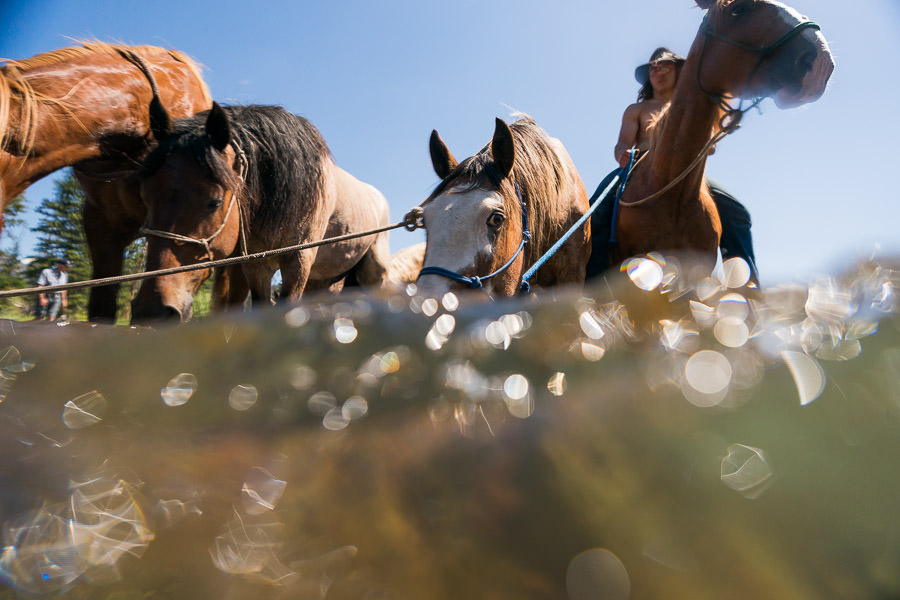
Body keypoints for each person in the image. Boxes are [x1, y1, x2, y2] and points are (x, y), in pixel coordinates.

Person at [586, 47, 759, 283]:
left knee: (737, 213)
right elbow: (621, 144)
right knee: (594, 212)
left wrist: (708, 142)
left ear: (679, 71)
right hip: (637, 166)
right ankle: (591, 284)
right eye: (654, 68)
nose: (658, 72)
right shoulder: (637, 109)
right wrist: (623, 153)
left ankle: (745, 282)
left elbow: (711, 142)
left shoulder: (693, 110)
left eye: (665, 66)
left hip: (686, 171)